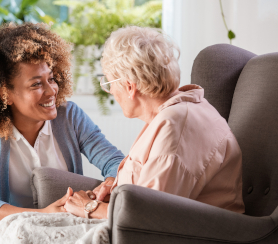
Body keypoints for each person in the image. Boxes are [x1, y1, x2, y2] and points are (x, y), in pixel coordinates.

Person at [0, 23, 125, 244]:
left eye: (51, 79)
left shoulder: (69, 117)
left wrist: (107, 186)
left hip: (63, 228)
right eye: (36, 84)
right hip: (10, 230)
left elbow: (116, 163)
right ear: (5, 94)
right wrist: (41, 215)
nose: (52, 90)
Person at [64, 26, 245, 219]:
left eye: (108, 84)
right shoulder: (178, 112)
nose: (111, 92)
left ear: (129, 86)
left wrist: (90, 207)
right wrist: (117, 188)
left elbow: (150, 215)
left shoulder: (175, 125)